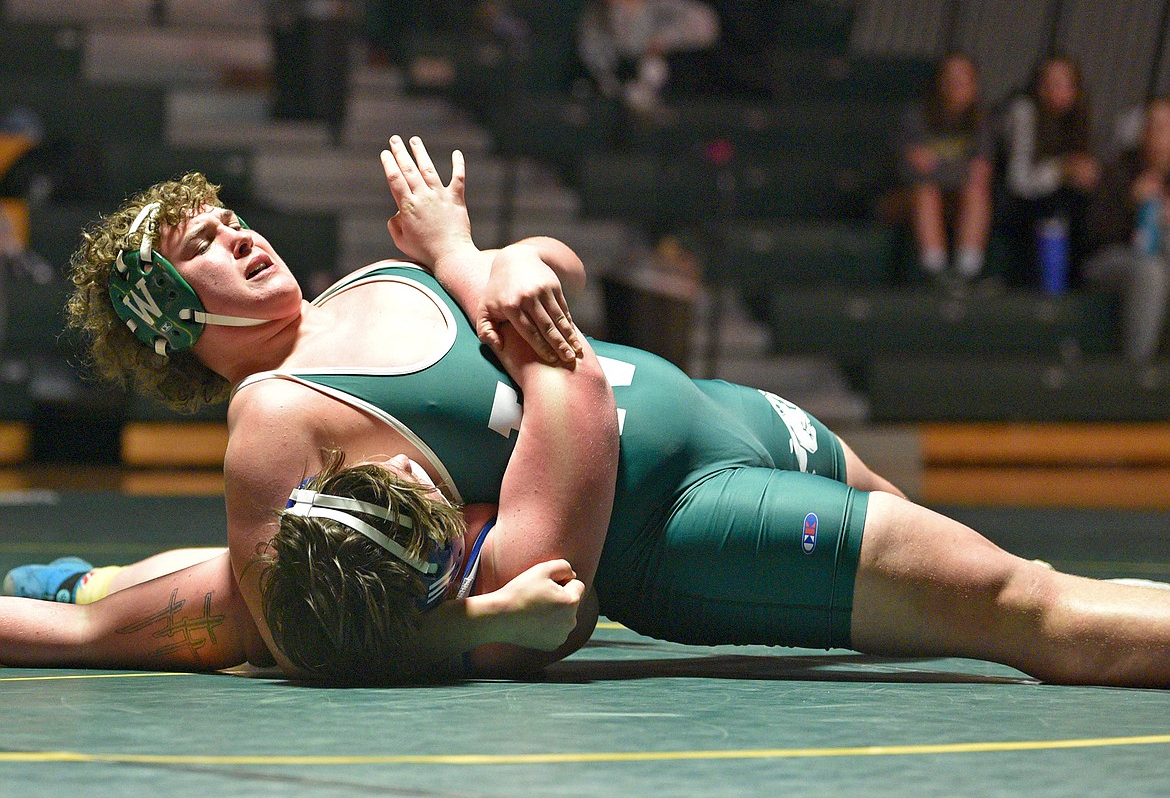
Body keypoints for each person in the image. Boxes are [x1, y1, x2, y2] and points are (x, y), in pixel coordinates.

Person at [9, 138, 1170, 689]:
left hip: (732, 413)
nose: (235, 235)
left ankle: (58, 570)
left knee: (1008, 569)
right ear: (169, 321)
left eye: (222, 217)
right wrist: (469, 627)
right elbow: (295, 625)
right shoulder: (273, 413)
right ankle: (56, 587)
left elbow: (550, 287)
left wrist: (490, 251)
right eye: (198, 247)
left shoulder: (375, 280)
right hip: (682, 518)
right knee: (1022, 609)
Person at [997, 55, 1100, 290]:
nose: (1059, 91)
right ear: (1038, 86)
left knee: (1086, 202)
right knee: (1057, 207)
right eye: (1051, 83)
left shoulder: (1077, 118)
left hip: (1056, 196)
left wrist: (1087, 173)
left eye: (1067, 84)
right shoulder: (1023, 112)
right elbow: (1019, 182)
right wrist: (1062, 169)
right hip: (1015, 201)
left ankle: (1077, 281)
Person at [1082, 97, 1170, 363]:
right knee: (1151, 272)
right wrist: (1131, 206)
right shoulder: (1118, 170)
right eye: (1151, 126)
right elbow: (1095, 233)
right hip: (1111, 260)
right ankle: (1137, 372)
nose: (1157, 135)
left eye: (1165, 127)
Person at [576, 0, 720, 111]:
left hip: (675, 87)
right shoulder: (595, 18)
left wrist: (663, 41)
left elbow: (706, 23)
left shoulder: (661, 3)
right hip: (620, 93)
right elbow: (595, 58)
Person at [897, 53, 994, 287]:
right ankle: (935, 273)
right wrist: (957, 169)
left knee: (976, 192)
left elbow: (980, 173)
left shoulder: (982, 120)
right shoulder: (916, 117)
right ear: (939, 82)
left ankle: (966, 272)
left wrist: (938, 165)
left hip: (956, 200)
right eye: (950, 77)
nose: (957, 84)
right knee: (926, 192)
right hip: (905, 200)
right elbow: (913, 172)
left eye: (964, 78)